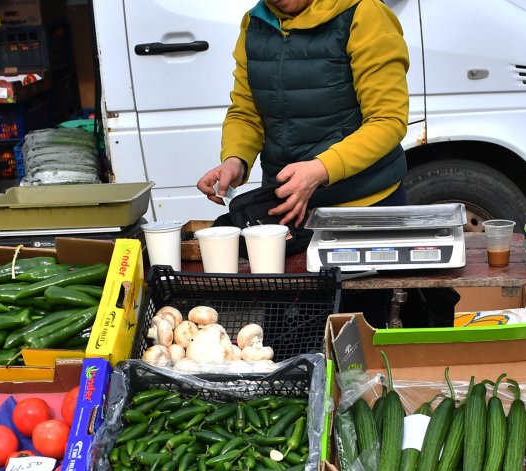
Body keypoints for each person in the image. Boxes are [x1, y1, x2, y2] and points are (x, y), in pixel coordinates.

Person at [195, 0, 458, 327]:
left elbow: (387, 120)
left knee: (361, 342)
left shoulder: (363, 14)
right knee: (289, 334)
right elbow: (246, 112)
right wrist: (234, 160)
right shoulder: (255, 24)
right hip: (288, 212)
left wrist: (320, 170)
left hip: (362, 212)